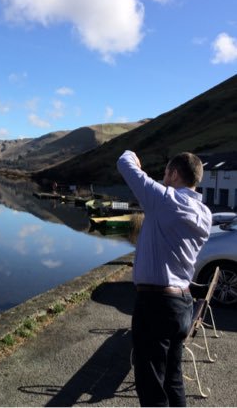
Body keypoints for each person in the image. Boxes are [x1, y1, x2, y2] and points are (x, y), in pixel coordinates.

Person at [117, 150, 212, 406]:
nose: (163, 177)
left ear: (174, 174)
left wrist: (134, 156)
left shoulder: (164, 200)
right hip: (182, 303)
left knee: (151, 386)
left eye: (166, 172)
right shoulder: (205, 213)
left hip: (155, 305)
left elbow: (124, 162)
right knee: (172, 379)